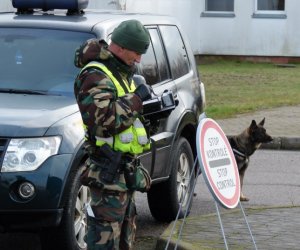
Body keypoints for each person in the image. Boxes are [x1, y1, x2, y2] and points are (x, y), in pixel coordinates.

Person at [74, 19, 152, 250]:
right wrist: (137, 98)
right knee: (104, 242)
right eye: (136, 52)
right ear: (121, 46)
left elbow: (127, 119)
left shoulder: (121, 73)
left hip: (123, 177)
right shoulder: (95, 75)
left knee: (124, 241)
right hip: (107, 177)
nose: (138, 59)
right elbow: (104, 121)